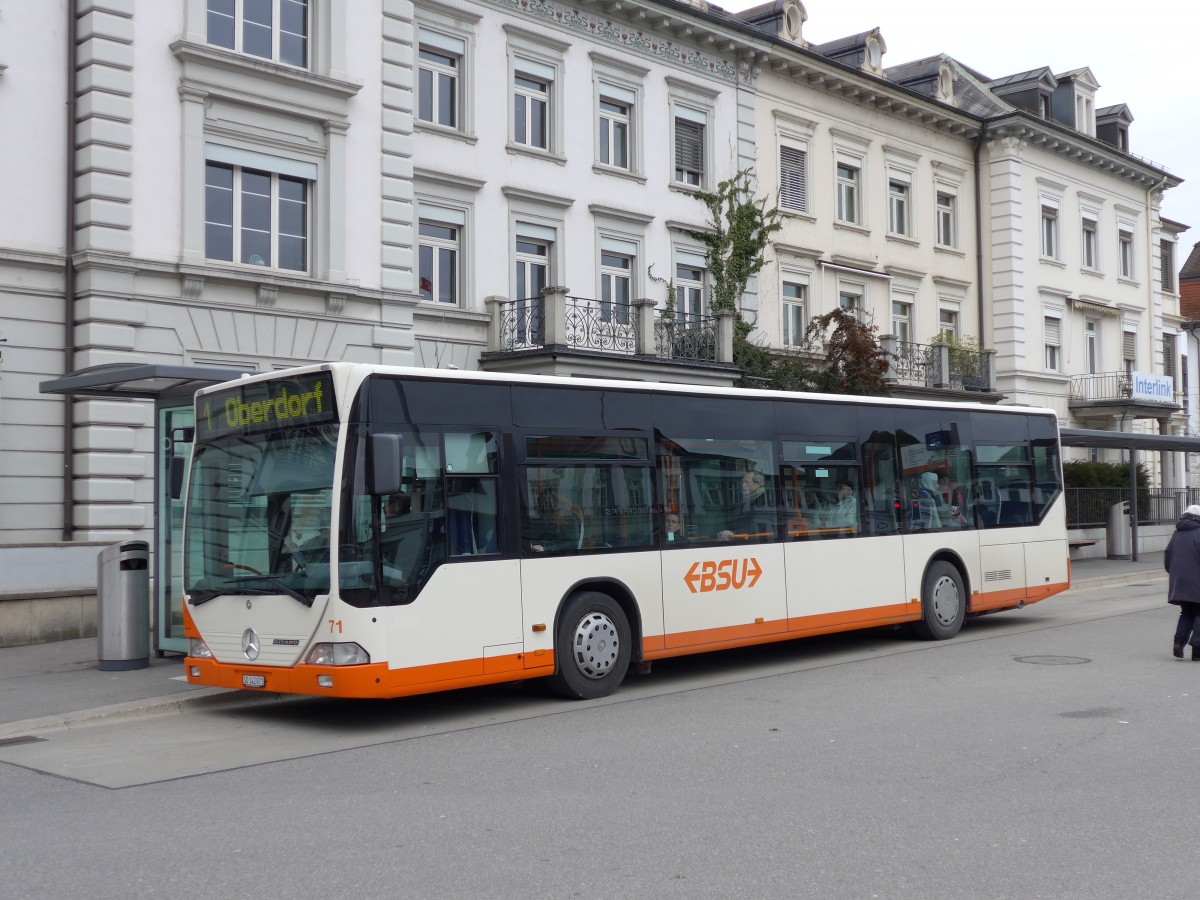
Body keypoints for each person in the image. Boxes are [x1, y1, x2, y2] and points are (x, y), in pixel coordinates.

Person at [1164, 504, 1200, 659]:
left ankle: (1178, 642)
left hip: (1180, 581)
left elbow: (1168, 556)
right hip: (1197, 581)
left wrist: (1175, 573)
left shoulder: (1177, 533)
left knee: (1186, 612)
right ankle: (1198, 651)